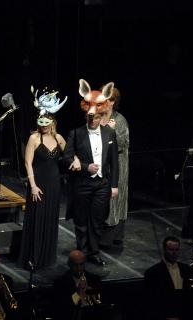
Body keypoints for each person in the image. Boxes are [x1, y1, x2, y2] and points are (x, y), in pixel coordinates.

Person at [63, 80, 119, 266]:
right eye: (90, 117)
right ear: (86, 117)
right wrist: (86, 167)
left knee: (97, 220)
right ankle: (82, 251)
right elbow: (67, 158)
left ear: (100, 116)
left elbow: (114, 161)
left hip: (102, 184)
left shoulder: (109, 134)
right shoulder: (76, 134)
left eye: (95, 118)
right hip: (82, 183)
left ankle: (94, 251)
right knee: (81, 220)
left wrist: (114, 185)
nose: (93, 120)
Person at [18, 88, 70, 269]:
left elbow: (70, 154)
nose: (44, 125)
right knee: (37, 218)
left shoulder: (59, 138)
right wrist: (32, 185)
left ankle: (47, 257)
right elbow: (27, 163)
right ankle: (33, 256)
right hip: (38, 183)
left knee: (50, 218)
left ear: (53, 122)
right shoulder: (34, 138)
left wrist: (78, 160)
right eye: (42, 122)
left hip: (54, 184)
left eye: (48, 122)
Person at [98, 86, 130, 248]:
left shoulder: (120, 120)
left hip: (116, 165)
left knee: (114, 200)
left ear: (112, 102)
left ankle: (111, 237)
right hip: (101, 165)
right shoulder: (97, 116)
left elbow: (122, 144)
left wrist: (108, 135)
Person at [144, 236, 193, 320]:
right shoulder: (152, 273)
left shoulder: (187, 270)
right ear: (164, 250)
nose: (174, 253)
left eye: (176, 250)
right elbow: (151, 301)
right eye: (171, 250)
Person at [52, 250, 102, 320]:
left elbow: (100, 305)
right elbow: (61, 308)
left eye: (81, 264)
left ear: (85, 263)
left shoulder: (94, 280)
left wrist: (91, 294)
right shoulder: (60, 282)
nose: (78, 269)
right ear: (69, 264)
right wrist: (77, 295)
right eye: (75, 265)